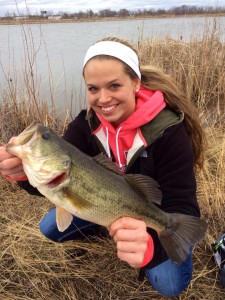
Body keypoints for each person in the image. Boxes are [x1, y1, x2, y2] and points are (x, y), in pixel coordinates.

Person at [0, 36, 206, 297]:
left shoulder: (170, 133)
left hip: (153, 212)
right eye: (93, 89)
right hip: (102, 202)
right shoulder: (85, 123)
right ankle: (106, 224)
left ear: (135, 83)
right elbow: (51, 179)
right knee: (50, 228)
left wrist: (150, 246)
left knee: (170, 285)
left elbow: (182, 203)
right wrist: (22, 173)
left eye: (114, 85)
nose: (103, 98)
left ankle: (147, 236)